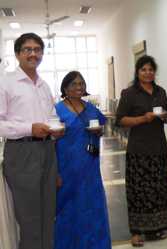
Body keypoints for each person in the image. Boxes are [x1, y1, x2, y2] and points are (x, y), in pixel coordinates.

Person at [0, 33, 63, 249]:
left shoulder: (44, 86)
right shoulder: (6, 83)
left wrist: (56, 129)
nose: (33, 53)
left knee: (48, 214)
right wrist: (29, 128)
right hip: (21, 152)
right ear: (17, 53)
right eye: (27, 49)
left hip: (47, 150)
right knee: (29, 219)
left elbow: (51, 117)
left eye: (37, 49)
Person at [116, 55, 167, 247]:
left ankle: (157, 227)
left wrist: (165, 116)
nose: (147, 73)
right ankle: (136, 232)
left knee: (158, 189)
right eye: (143, 69)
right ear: (137, 72)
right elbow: (120, 120)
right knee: (137, 192)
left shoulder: (160, 92)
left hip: (158, 148)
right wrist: (143, 118)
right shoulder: (129, 93)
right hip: (138, 150)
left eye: (151, 69)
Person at [54, 71, 111, 249]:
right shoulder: (57, 109)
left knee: (92, 206)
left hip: (89, 166)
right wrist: (54, 172)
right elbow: (51, 141)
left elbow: (101, 127)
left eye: (81, 84)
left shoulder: (91, 108)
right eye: (74, 84)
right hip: (66, 167)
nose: (79, 87)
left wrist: (99, 131)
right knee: (67, 207)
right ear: (65, 88)